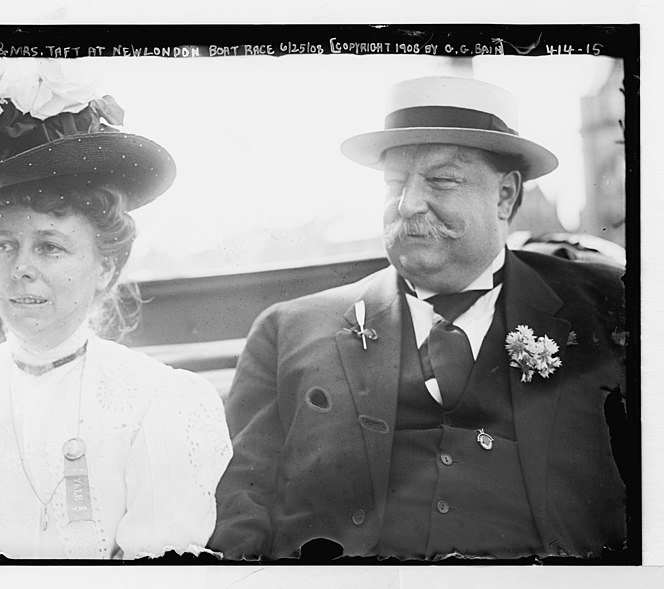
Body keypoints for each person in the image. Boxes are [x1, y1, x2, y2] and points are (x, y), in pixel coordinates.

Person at [210, 76, 628, 561]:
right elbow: (240, 506)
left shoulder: (608, 308)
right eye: (394, 184)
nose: (408, 204)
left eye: (442, 181)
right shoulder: (288, 331)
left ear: (505, 197)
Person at [0, 60, 232, 560]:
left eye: (50, 247)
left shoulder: (159, 402)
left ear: (105, 267)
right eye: (6, 246)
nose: (21, 270)